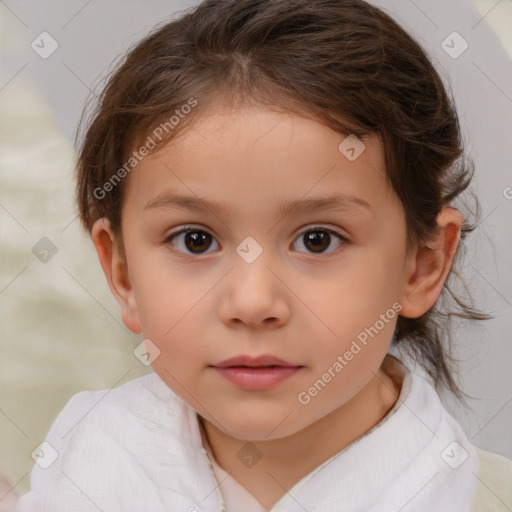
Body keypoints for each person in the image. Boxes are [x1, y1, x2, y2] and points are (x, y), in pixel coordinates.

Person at [13, 0, 512, 510]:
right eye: (195, 240)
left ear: (422, 264)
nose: (253, 303)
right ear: (122, 274)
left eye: (318, 240)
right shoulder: (72, 481)